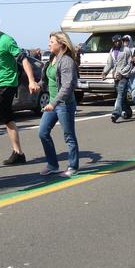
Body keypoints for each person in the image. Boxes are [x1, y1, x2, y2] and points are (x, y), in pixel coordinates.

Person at [0, 12, 39, 166]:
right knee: (7, 119)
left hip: (7, 84)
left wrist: (32, 81)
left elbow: (23, 59)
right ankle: (18, 153)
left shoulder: (6, 40)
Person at [37, 31, 80, 178]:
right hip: (53, 104)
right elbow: (47, 80)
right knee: (42, 133)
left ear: (61, 43)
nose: (49, 44)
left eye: (52, 42)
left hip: (64, 105)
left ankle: (73, 166)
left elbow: (68, 86)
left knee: (69, 136)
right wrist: (37, 85)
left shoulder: (67, 61)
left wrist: (53, 103)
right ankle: (52, 165)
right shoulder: (52, 59)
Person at [101, 34, 133, 122]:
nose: (118, 42)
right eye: (116, 41)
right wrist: (105, 72)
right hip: (115, 76)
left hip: (124, 77)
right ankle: (128, 111)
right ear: (113, 42)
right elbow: (109, 63)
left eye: (119, 41)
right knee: (121, 95)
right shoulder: (112, 50)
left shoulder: (126, 50)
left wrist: (122, 73)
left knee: (120, 95)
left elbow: (130, 64)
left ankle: (116, 113)